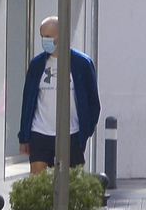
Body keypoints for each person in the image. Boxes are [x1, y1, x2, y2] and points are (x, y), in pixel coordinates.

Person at [18, 16, 100, 173]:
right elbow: (27, 101)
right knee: (38, 180)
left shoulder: (82, 64)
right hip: (40, 131)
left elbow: (92, 101)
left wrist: (86, 130)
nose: (44, 41)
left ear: (61, 35)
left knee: (70, 181)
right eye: (42, 37)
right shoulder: (37, 65)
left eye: (48, 37)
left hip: (71, 133)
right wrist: (24, 136)